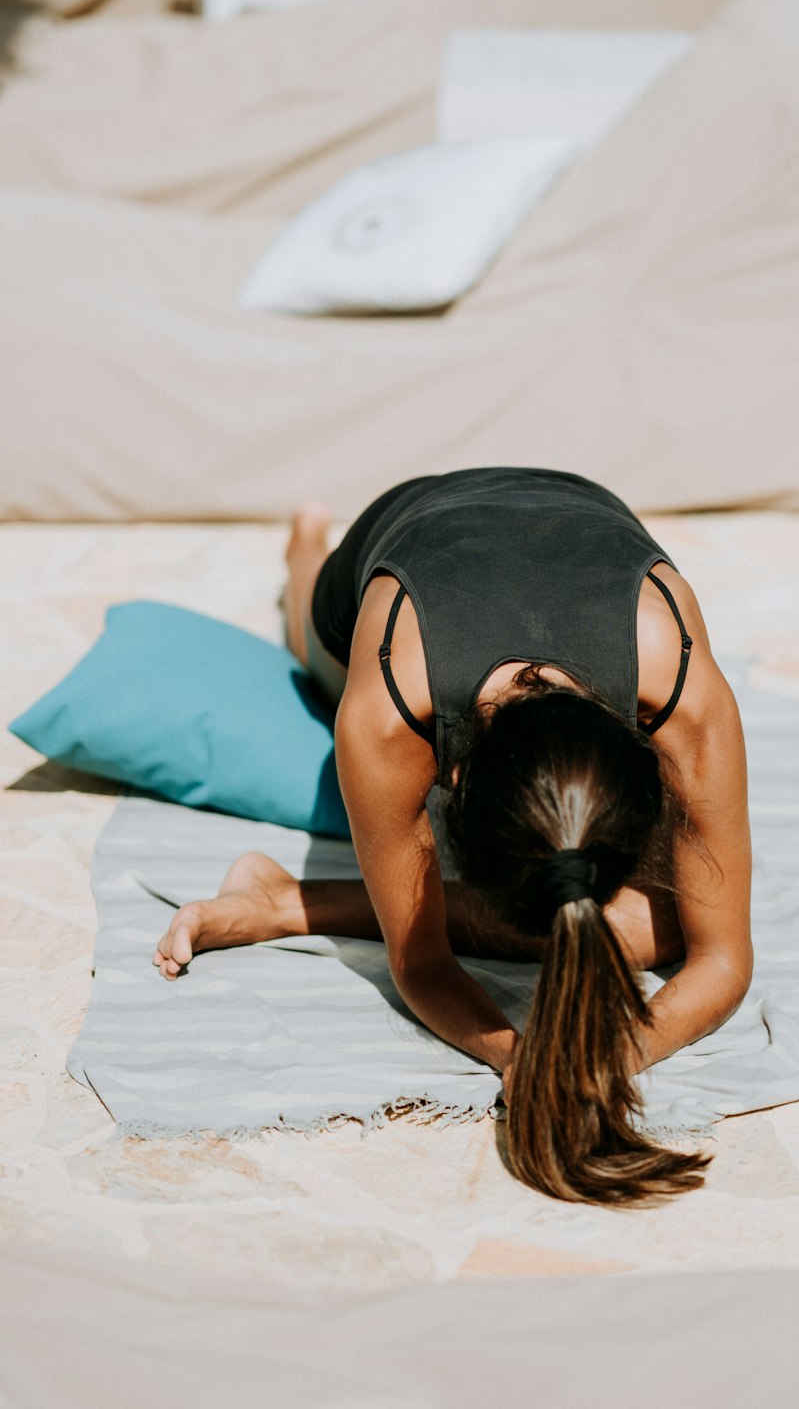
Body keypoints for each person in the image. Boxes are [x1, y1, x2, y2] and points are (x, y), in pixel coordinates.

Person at [152, 468, 752, 1206]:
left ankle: (286, 899)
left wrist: (600, 1058)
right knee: (314, 653)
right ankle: (305, 543)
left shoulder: (685, 693)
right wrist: (515, 1055)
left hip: (578, 507)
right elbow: (422, 960)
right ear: (454, 783)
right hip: (410, 527)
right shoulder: (387, 713)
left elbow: (723, 957)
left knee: (663, 925)